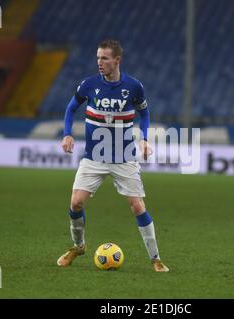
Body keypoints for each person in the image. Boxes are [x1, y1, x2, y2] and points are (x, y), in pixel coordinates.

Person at [57, 39, 169, 272]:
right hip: (93, 156)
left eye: (104, 58)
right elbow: (70, 109)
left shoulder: (134, 87)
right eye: (98, 57)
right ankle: (78, 247)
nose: (100, 62)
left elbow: (144, 114)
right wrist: (67, 134)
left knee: (137, 205)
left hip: (124, 157)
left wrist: (145, 139)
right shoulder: (88, 84)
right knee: (76, 203)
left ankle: (156, 258)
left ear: (117, 60)